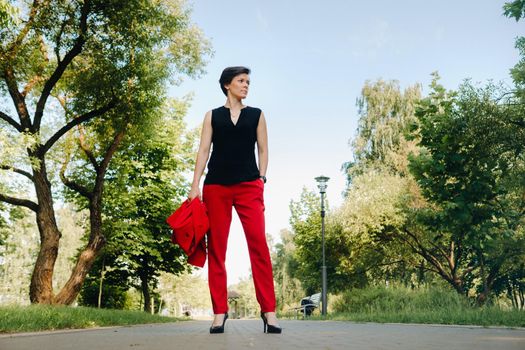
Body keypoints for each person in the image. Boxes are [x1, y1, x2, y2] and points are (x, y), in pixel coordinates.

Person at [188, 66, 282, 334]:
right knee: (217, 249)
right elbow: (204, 149)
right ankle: (219, 312)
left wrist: (261, 179)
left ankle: (269, 312)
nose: (246, 85)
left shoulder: (256, 115)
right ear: (227, 84)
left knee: (259, 246)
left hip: (249, 186)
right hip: (216, 187)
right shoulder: (212, 116)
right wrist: (195, 184)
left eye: (248, 81)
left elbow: (263, 149)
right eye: (241, 81)